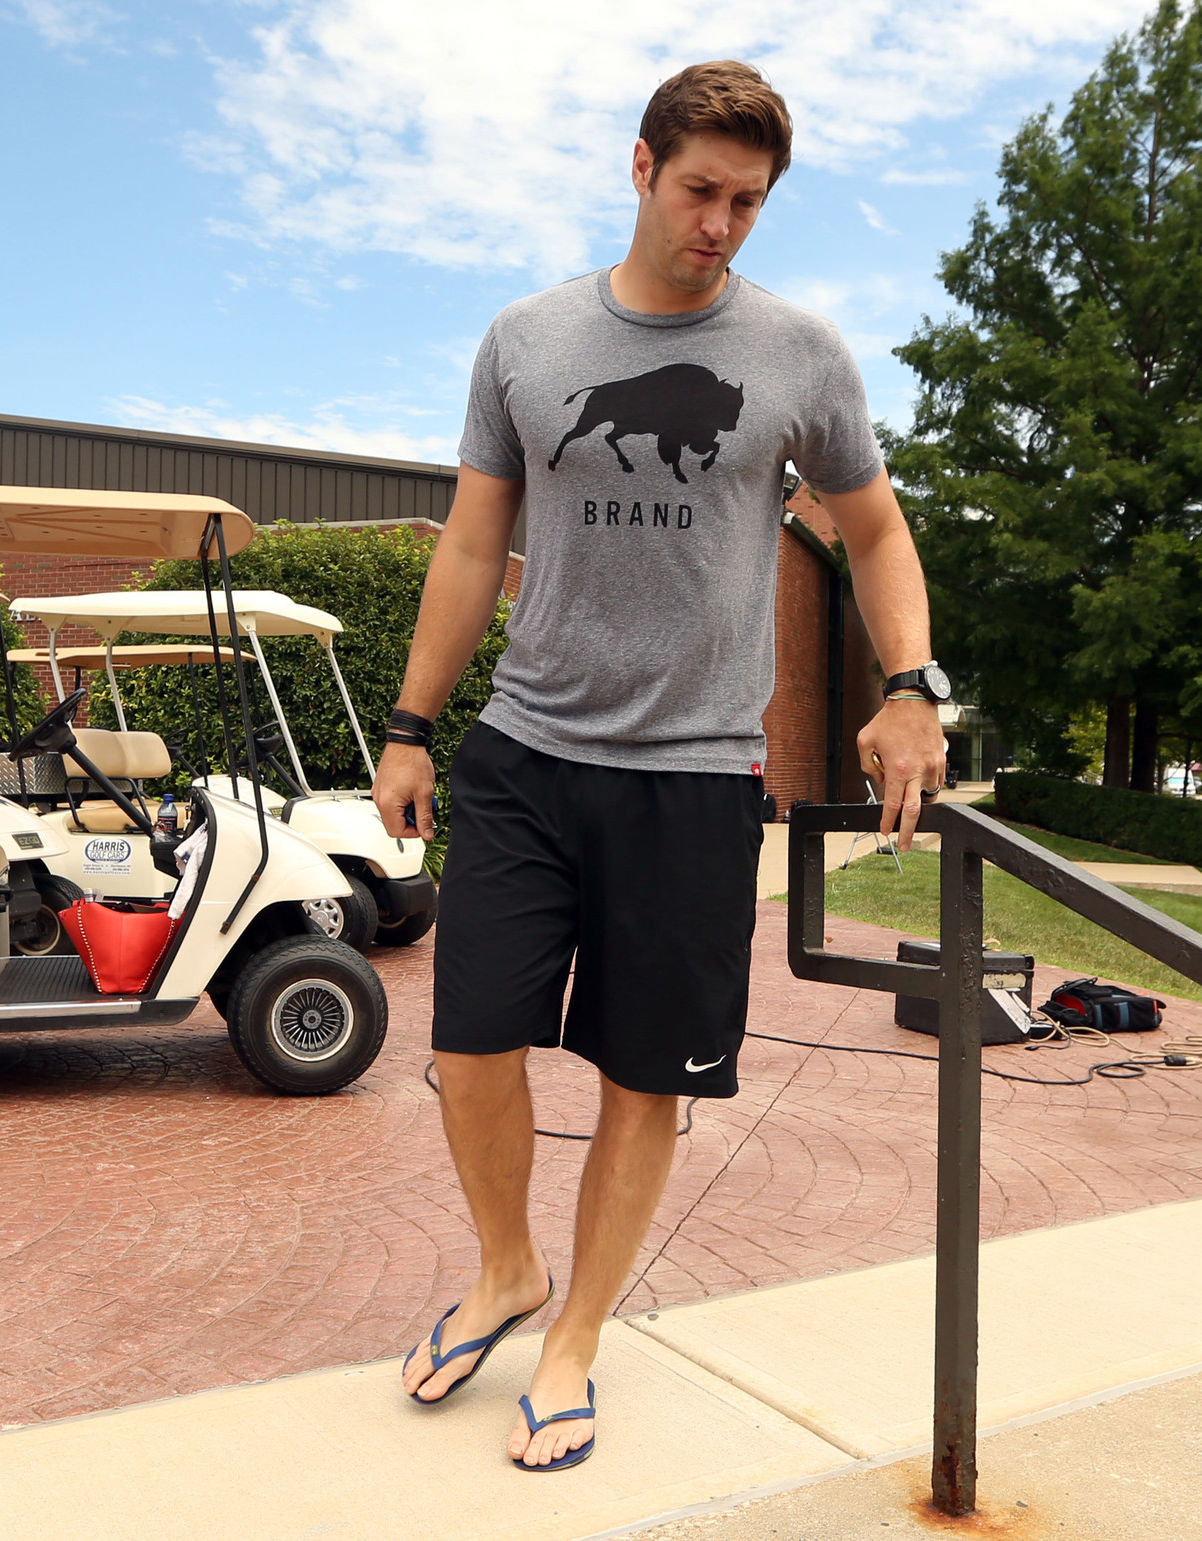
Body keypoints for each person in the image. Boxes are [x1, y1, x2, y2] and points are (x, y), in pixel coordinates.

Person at [374, 60, 948, 1472]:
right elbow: (470, 542)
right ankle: (507, 1267)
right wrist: (408, 720)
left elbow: (873, 532)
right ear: (641, 168)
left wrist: (911, 684)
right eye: (701, 191)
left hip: (694, 775)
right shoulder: (528, 338)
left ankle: (572, 1341)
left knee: (649, 1076)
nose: (722, 224)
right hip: (525, 749)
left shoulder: (800, 355)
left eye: (749, 201)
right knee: (466, 1045)